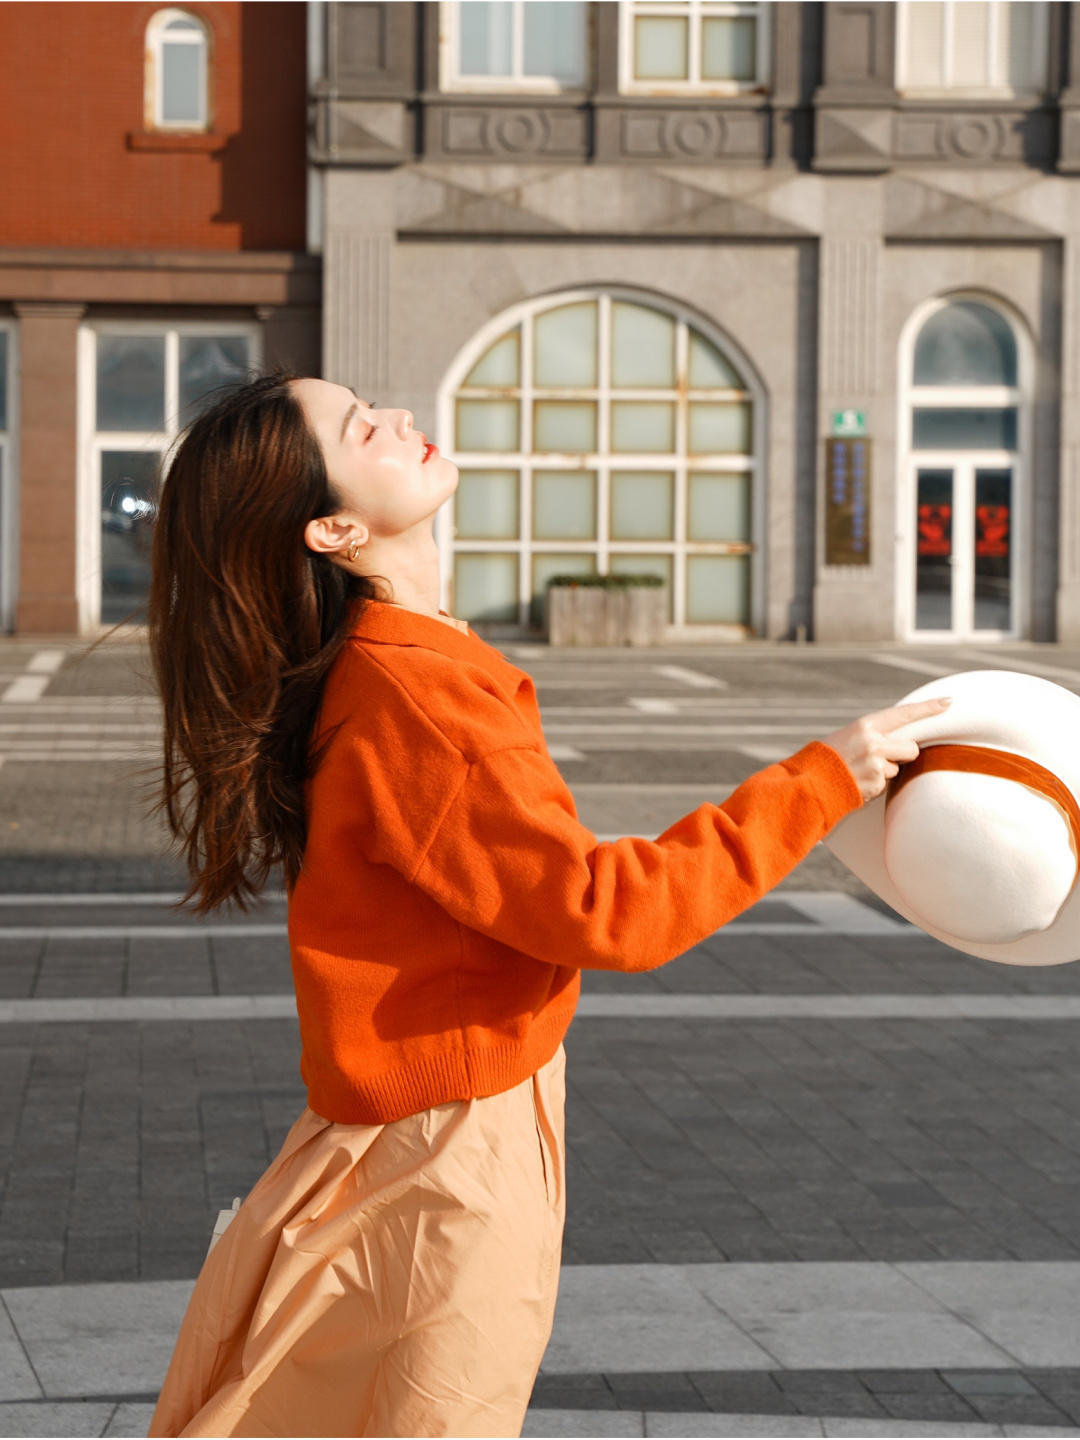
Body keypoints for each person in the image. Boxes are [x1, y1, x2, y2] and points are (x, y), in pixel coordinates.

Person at [145, 370, 951, 1439]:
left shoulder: (394, 671)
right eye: (360, 427)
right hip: (445, 1151)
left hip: (416, 1133)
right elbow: (608, 910)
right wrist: (819, 784)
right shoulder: (415, 697)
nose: (397, 417)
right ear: (334, 529)